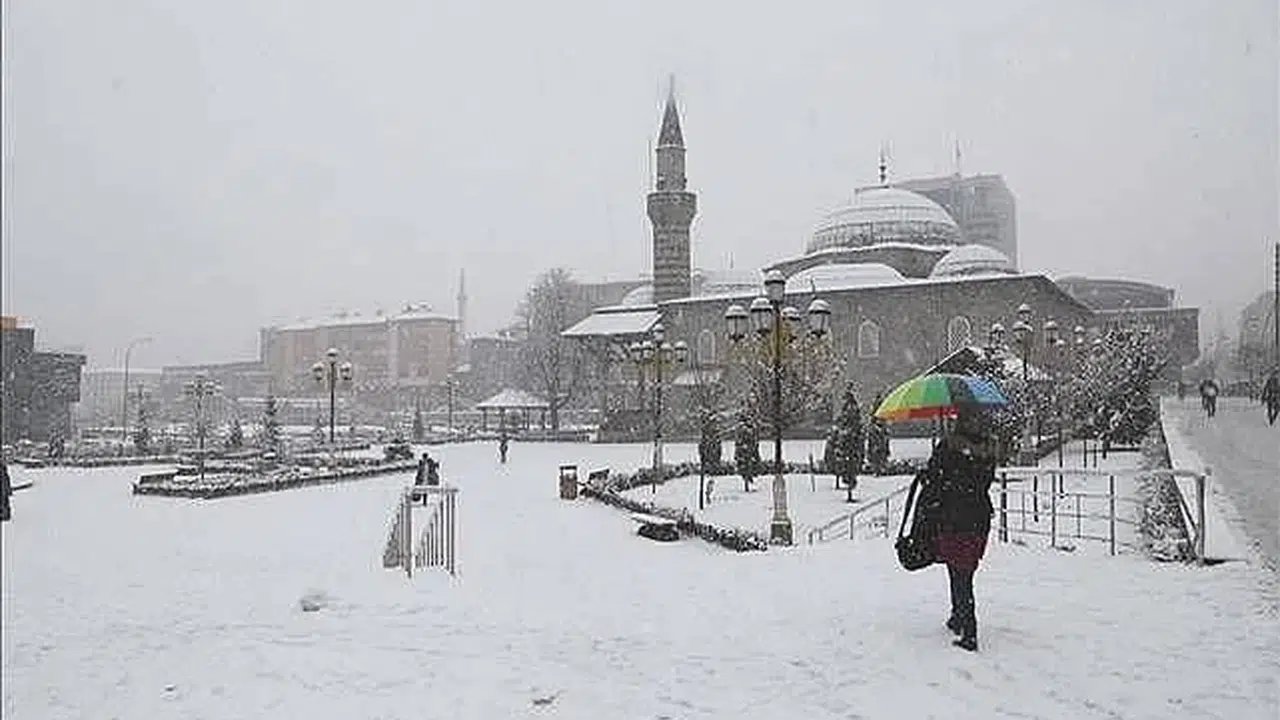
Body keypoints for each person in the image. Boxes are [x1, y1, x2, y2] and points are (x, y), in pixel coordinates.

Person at [921, 406, 998, 652]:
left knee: (959, 572)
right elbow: (983, 480)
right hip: (979, 517)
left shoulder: (949, 447)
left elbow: (936, 479)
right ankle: (958, 616)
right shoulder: (987, 447)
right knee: (965, 569)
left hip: (955, 518)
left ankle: (969, 630)